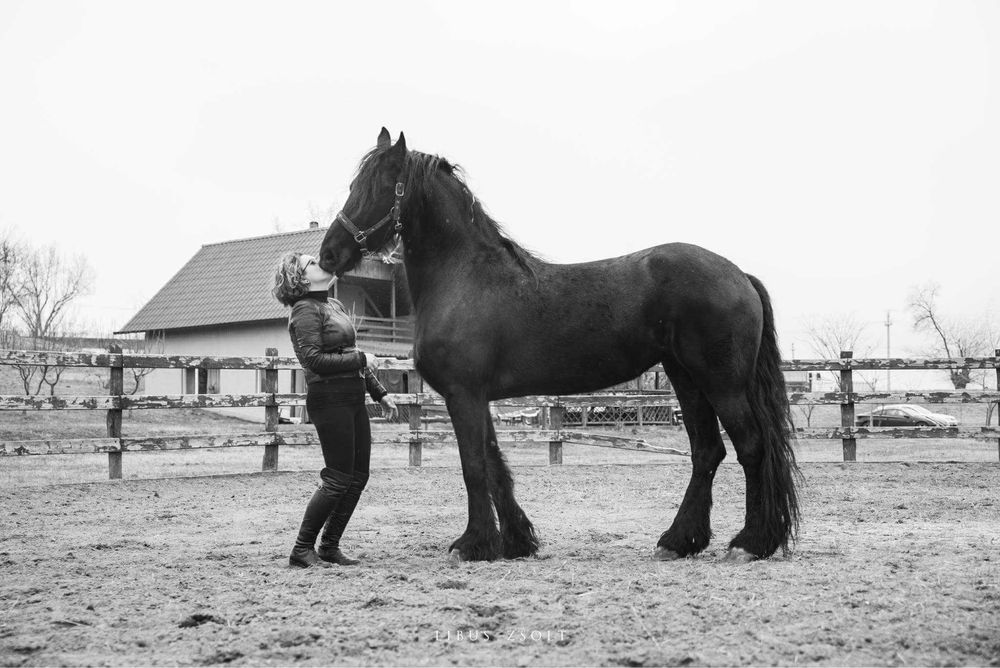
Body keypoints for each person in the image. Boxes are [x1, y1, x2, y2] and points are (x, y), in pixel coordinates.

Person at [271, 251, 397, 568]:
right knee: (338, 477)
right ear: (297, 276)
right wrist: (361, 360)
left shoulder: (334, 305)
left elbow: (353, 353)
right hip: (329, 399)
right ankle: (301, 549)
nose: (319, 264)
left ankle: (329, 546)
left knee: (358, 477)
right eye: (310, 263)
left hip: (353, 397)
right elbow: (314, 361)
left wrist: (380, 393)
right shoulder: (303, 310)